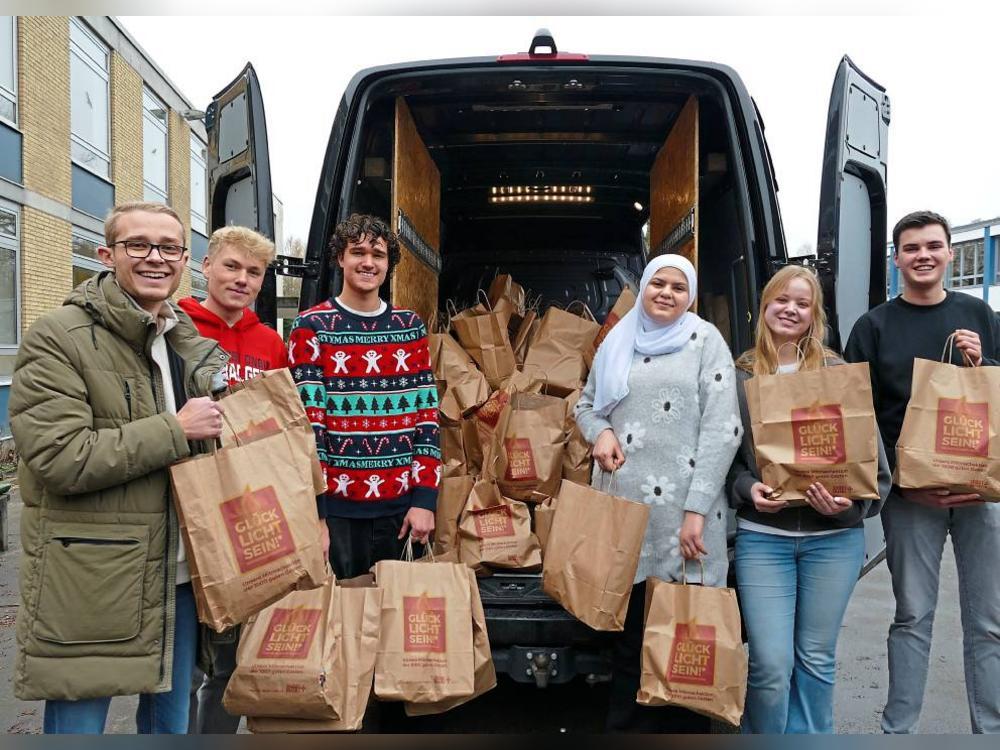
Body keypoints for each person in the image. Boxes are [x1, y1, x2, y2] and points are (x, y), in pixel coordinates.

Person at [9, 202, 227, 734]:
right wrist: (177, 429)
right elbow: (60, 458)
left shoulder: (184, 344)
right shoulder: (58, 336)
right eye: (138, 245)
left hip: (175, 573)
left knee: (170, 727)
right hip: (92, 580)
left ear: (185, 262)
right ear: (107, 255)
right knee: (79, 730)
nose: (156, 258)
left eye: (169, 248)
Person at [844, 210, 1000, 734]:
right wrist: (906, 482)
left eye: (933, 246)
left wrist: (988, 365)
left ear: (950, 253)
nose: (923, 256)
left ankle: (992, 731)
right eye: (911, 248)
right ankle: (898, 731)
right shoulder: (874, 326)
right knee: (912, 616)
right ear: (897, 258)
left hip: (981, 496)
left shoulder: (980, 316)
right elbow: (855, 415)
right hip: (912, 499)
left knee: (989, 623)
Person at [575, 253, 741, 733]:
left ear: (690, 296)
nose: (666, 293)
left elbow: (723, 428)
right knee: (629, 646)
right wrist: (600, 432)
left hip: (686, 517)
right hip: (625, 514)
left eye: (677, 287)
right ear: (643, 287)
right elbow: (586, 406)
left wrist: (697, 510)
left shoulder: (705, 341)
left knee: (686, 638)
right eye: (657, 284)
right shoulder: (618, 341)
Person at [727, 264, 891, 734]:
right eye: (782, 299)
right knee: (771, 667)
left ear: (814, 314)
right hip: (764, 539)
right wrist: (747, 489)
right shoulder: (738, 374)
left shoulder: (839, 375)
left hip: (833, 541)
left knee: (816, 660)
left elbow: (877, 471)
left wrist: (851, 505)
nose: (790, 309)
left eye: (802, 303)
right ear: (765, 307)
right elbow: (723, 459)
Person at [177, 226, 290, 735]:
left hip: (246, 509)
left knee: (228, 657)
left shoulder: (269, 342)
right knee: (180, 663)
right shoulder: (175, 325)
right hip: (183, 507)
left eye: (254, 272)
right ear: (205, 265)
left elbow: (285, 424)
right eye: (231, 267)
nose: (242, 280)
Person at [288, 213, 439, 580]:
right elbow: (309, 428)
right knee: (342, 626)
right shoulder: (311, 327)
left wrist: (424, 502)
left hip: (401, 513)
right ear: (340, 258)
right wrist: (318, 515)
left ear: (389, 264)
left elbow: (427, 419)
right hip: (338, 514)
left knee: (395, 624)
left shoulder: (410, 327)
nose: (368, 262)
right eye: (357, 252)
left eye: (379, 254)